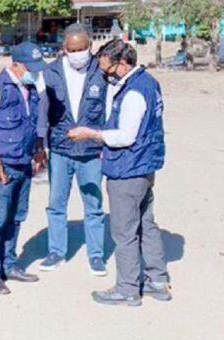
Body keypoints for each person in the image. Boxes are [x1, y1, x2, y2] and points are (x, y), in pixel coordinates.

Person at [69, 39, 171, 306]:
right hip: (144, 166)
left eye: (108, 70)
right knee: (146, 224)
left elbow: (126, 136)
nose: (106, 75)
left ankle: (127, 288)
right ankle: (157, 280)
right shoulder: (148, 83)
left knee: (124, 232)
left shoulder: (135, 92)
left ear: (123, 64)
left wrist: (91, 134)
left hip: (128, 169)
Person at [0, 42, 48, 295]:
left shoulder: (30, 88)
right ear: (16, 65)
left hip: (24, 163)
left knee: (17, 217)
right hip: (1, 166)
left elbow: (35, 123)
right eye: (31, 67)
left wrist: (39, 150)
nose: (35, 73)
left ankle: (10, 264)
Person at [37, 23, 107, 276]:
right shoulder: (50, 72)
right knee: (56, 204)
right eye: (72, 49)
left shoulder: (101, 71)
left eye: (82, 48)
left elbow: (109, 111)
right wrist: (40, 145)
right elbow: (42, 111)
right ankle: (56, 252)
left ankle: (96, 256)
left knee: (94, 206)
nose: (78, 54)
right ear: (64, 48)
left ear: (89, 47)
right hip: (60, 150)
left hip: (91, 152)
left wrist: (105, 142)